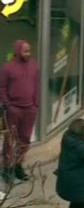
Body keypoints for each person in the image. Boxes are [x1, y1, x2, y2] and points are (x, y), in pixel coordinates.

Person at [1, 40, 40, 183]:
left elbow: (37, 85)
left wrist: (36, 104)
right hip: (14, 109)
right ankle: (7, 168)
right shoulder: (8, 68)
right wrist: (8, 105)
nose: (28, 54)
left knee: (25, 139)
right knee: (10, 140)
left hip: (29, 109)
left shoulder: (34, 66)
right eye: (25, 51)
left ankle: (18, 165)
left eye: (29, 50)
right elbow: (2, 88)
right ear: (17, 51)